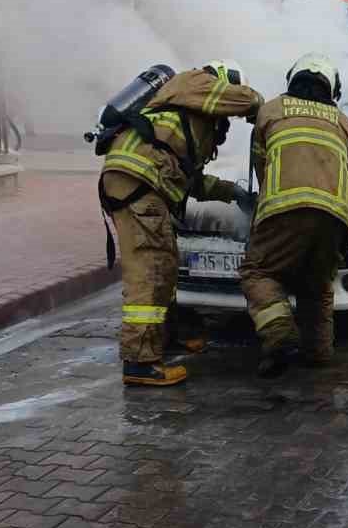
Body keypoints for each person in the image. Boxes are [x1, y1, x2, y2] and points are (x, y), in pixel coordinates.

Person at [100, 60, 261, 386]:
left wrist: (234, 193)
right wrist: (259, 108)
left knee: (165, 264)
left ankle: (164, 337)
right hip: (139, 183)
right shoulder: (195, 82)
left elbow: (192, 181)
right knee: (150, 269)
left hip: (138, 180)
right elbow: (248, 99)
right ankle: (139, 363)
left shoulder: (187, 113)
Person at [240, 54, 348, 378]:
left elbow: (261, 166)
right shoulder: (344, 123)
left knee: (258, 272)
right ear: (332, 88)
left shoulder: (272, 110)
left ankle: (280, 335)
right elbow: (347, 171)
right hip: (336, 217)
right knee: (317, 285)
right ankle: (318, 353)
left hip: (284, 209)